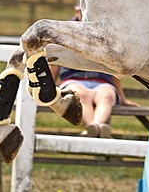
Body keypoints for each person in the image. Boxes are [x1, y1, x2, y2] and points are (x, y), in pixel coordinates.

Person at [53, 8, 136, 137]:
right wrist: (48, 94)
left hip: (102, 82)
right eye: (82, 10)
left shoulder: (107, 37)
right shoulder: (65, 35)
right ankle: (95, 128)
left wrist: (123, 98)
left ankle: (95, 128)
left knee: (107, 96)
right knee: (80, 95)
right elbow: (54, 65)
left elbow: (114, 71)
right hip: (74, 80)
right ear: (76, 12)